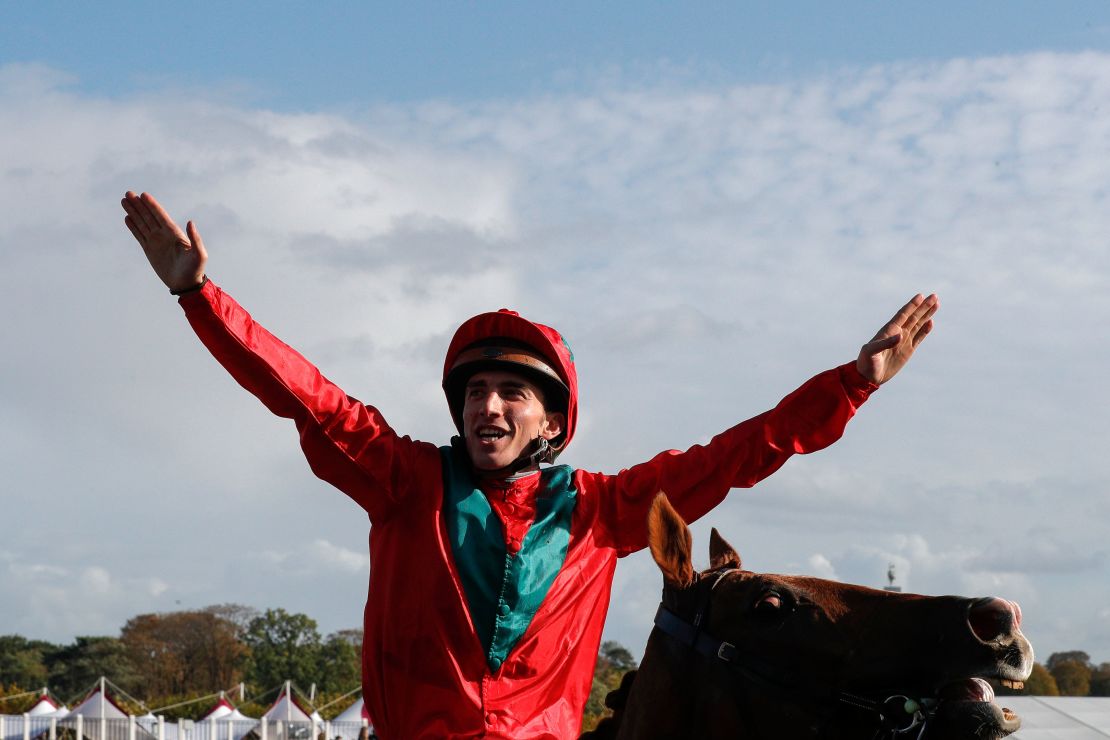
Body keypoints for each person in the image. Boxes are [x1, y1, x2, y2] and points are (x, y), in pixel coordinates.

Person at [121, 191, 938, 740]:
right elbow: (307, 398)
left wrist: (851, 385)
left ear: (552, 420)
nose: (489, 406)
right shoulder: (401, 482)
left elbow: (739, 455)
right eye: (476, 391)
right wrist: (201, 298)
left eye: (513, 391)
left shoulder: (605, 509)